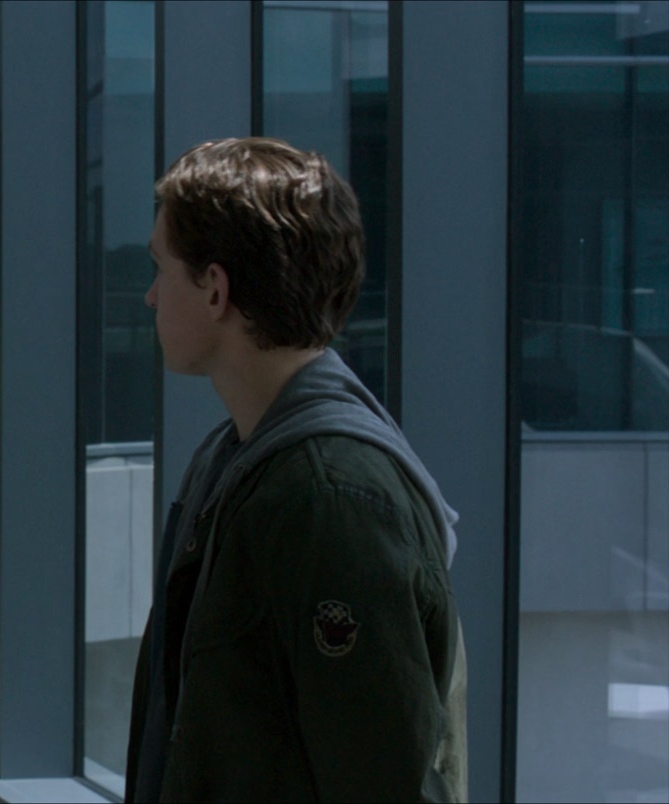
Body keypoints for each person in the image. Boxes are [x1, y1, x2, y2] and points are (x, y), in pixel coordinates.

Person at [125, 137, 468, 802]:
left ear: (215, 289)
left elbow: (383, 782)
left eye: (161, 269)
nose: (150, 297)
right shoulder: (242, 456)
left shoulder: (330, 497)